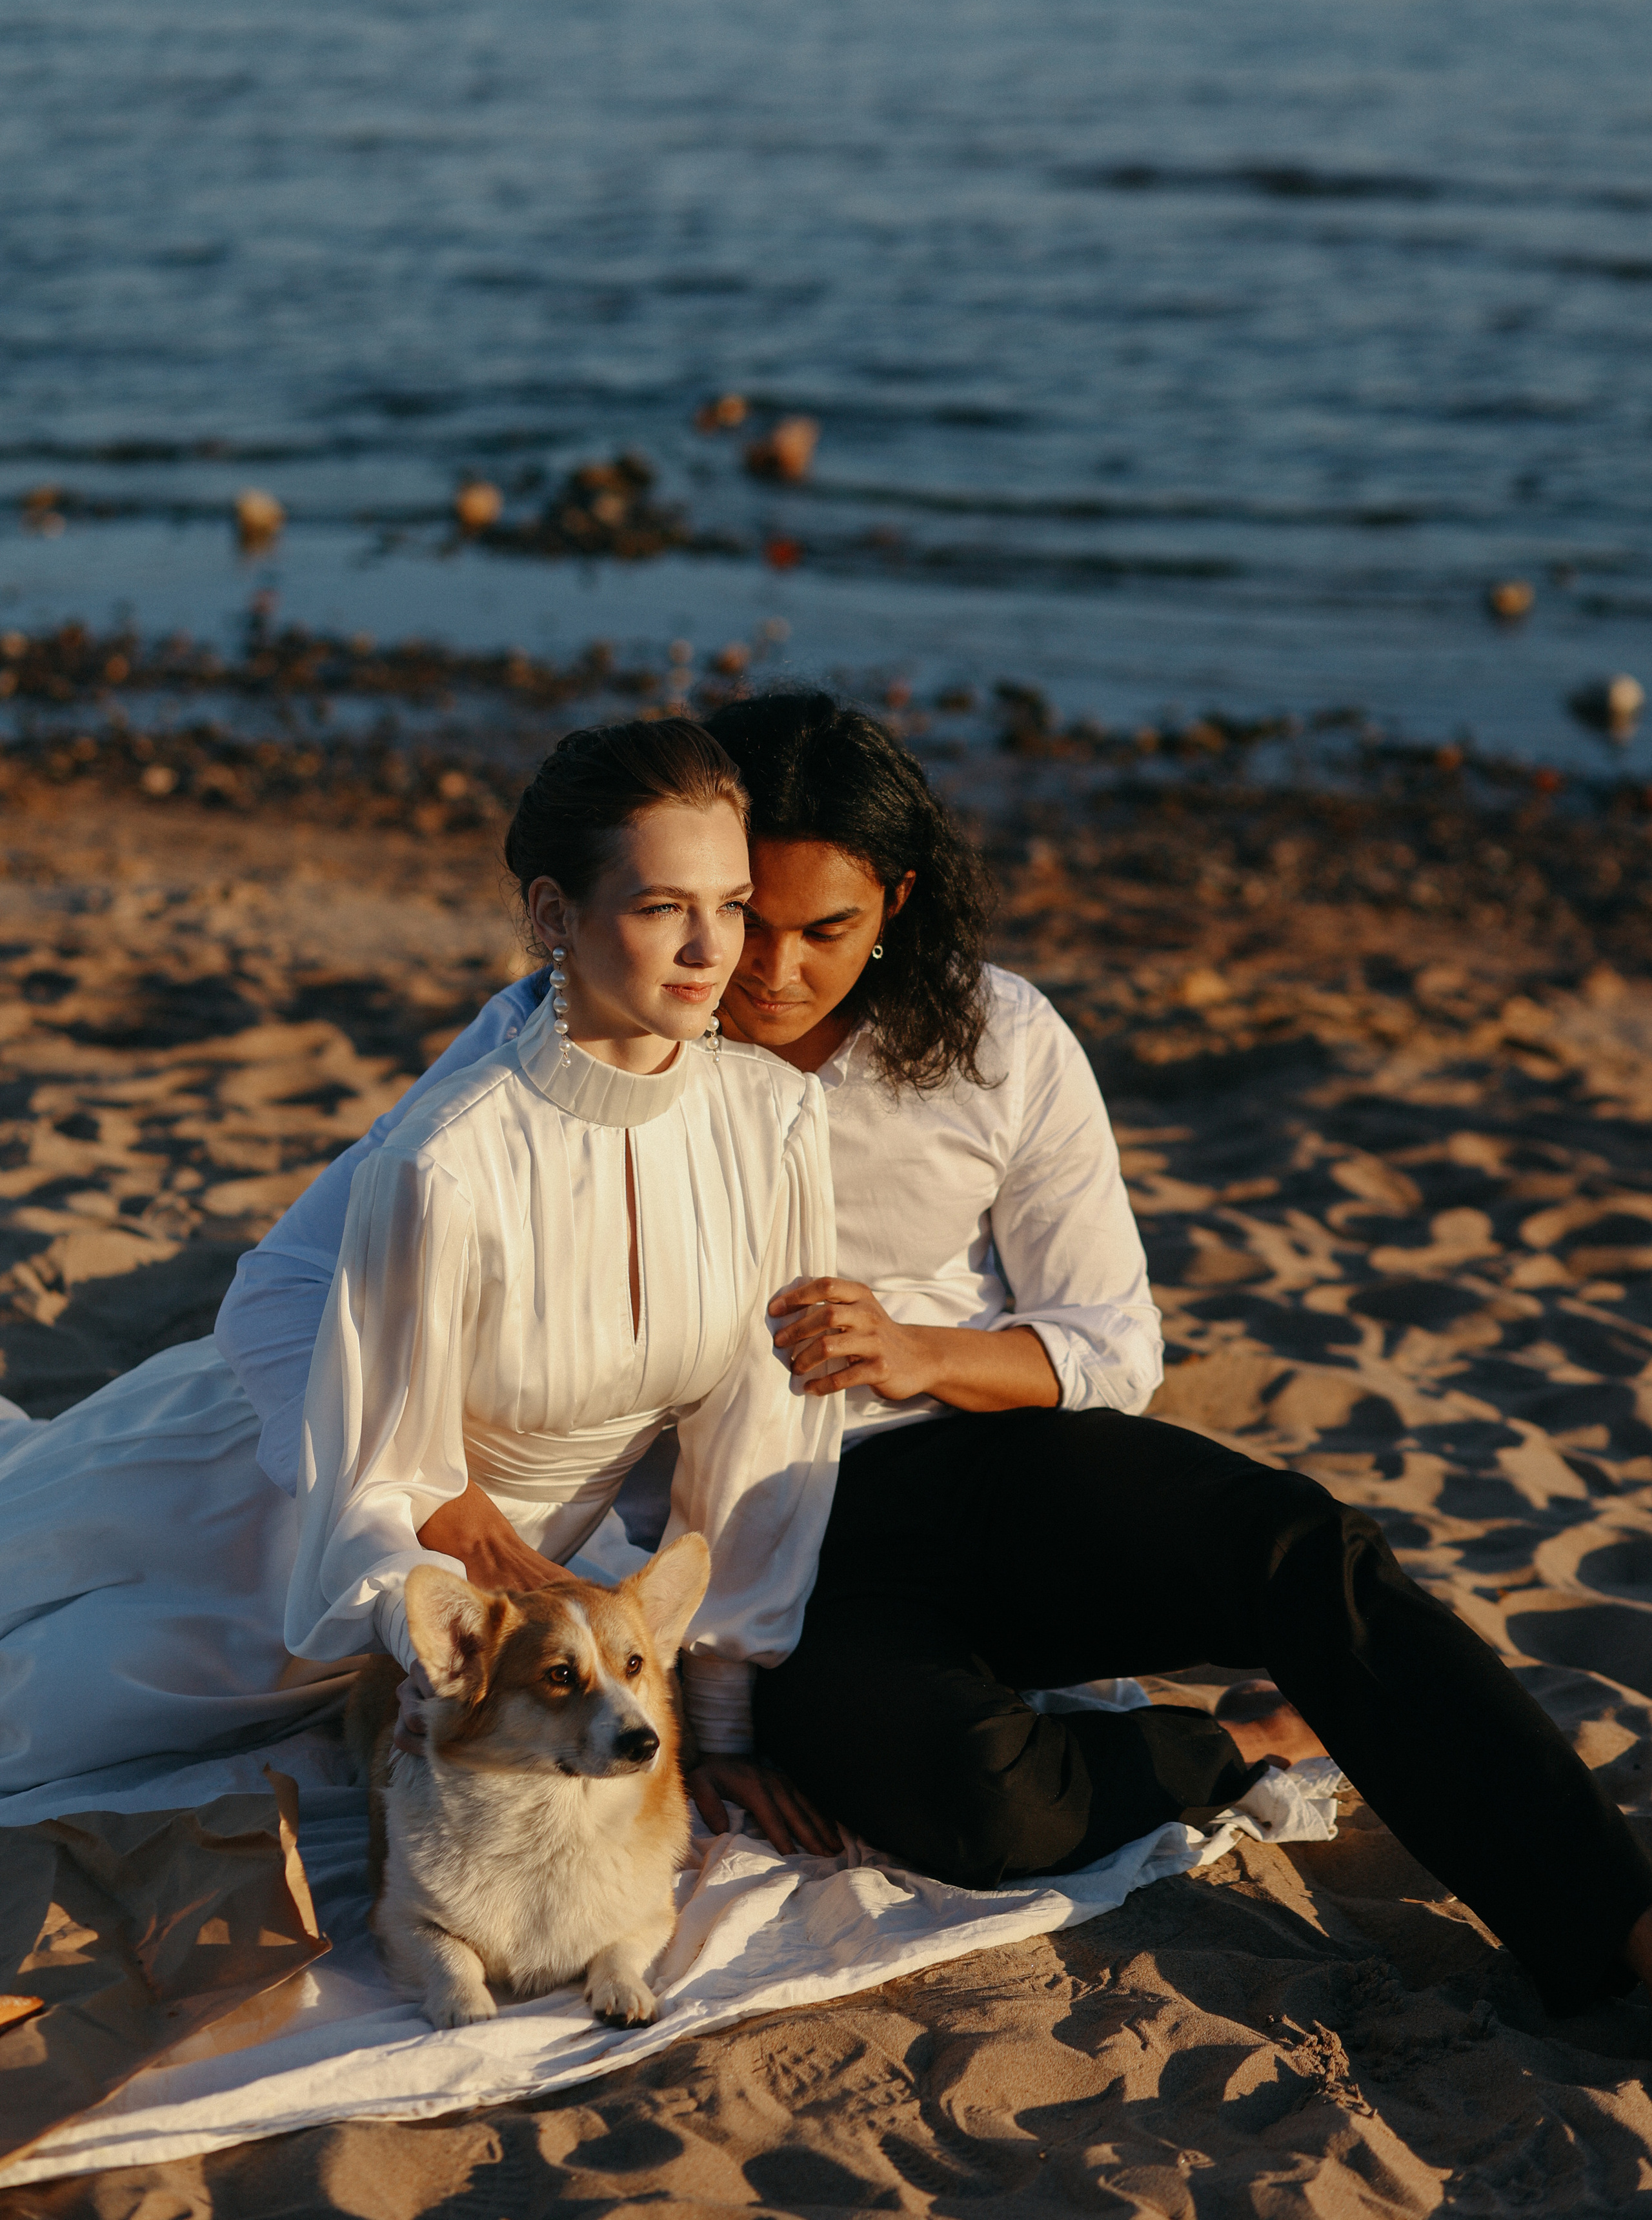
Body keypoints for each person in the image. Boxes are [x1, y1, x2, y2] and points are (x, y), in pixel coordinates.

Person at [217, 694, 1652, 2016]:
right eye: (739, 915)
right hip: (781, 1541)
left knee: (1302, 1548)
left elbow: (1115, 1345)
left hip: (993, 1461)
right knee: (981, 1812)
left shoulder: (1002, 1038)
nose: (763, 969)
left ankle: (1611, 1926)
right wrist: (446, 1501)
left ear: (894, 905)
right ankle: (1245, 1749)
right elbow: (289, 1287)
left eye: (822, 929)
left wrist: (920, 1351)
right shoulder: (588, 1043)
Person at [0, 720, 840, 1794]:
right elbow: (330, 1391)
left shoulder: (776, 1122)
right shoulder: (448, 1155)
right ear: (555, 915)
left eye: (731, 904)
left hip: (512, 1595)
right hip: (301, 1523)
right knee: (34, 1721)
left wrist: (720, 1725)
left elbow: (760, 1434)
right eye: (662, 907)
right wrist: (433, 1626)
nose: (711, 950)